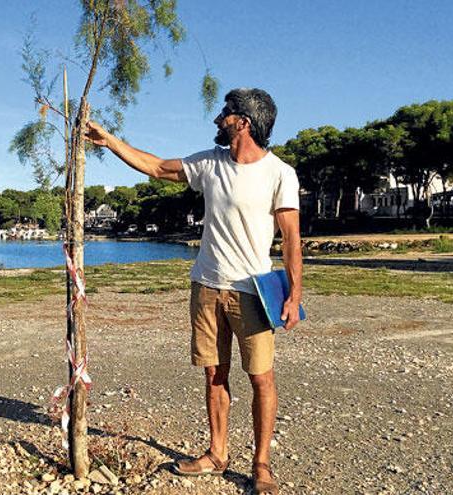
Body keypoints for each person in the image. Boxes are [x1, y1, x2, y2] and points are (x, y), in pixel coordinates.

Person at [84, 88, 302, 495]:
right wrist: (109, 140)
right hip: (206, 286)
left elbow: (291, 238)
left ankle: (262, 464)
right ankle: (217, 454)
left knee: (261, 378)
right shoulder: (210, 163)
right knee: (214, 373)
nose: (219, 118)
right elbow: (157, 168)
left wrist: (293, 295)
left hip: (253, 290)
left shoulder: (280, 173)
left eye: (226, 112)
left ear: (244, 122)